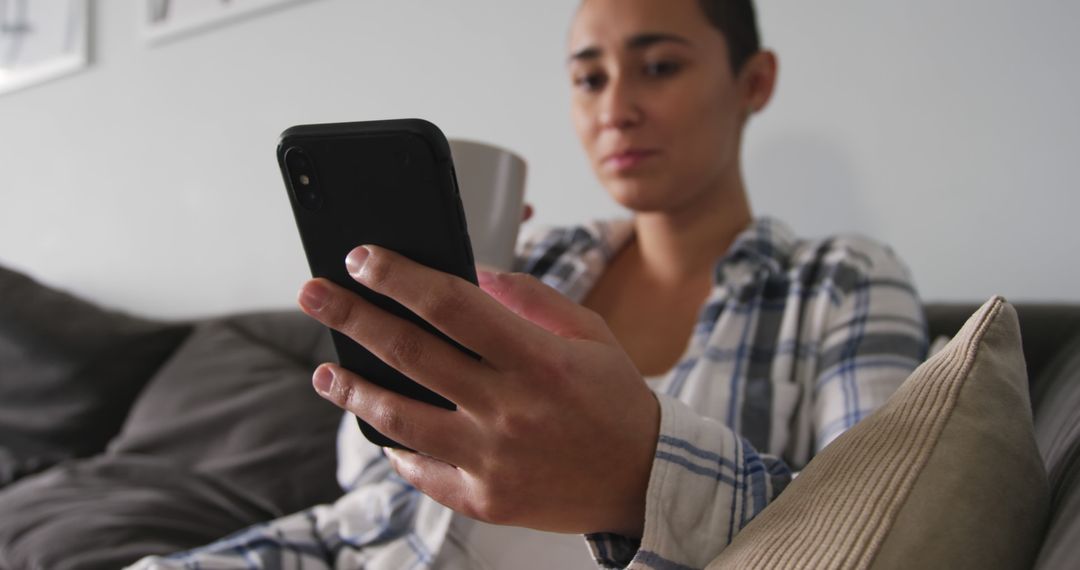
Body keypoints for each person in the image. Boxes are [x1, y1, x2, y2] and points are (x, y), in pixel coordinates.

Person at [131, 0, 927, 568]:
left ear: (753, 81)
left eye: (659, 67)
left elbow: (879, 529)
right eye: (589, 79)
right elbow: (365, 482)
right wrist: (421, 323)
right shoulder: (536, 265)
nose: (616, 108)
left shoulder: (843, 280)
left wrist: (638, 477)